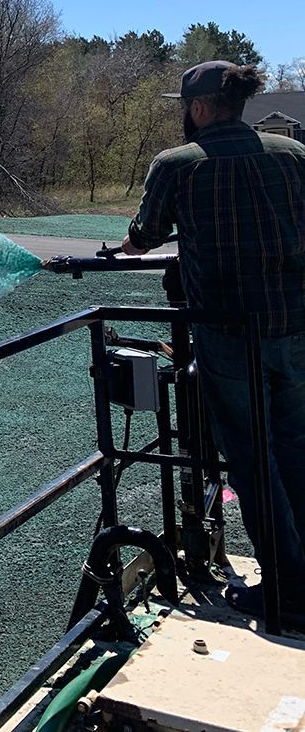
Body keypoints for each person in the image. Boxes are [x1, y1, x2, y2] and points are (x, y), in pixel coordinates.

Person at [122, 60, 305, 620]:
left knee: (253, 461)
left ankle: (290, 594)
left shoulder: (178, 165)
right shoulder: (293, 155)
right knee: (297, 450)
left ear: (198, 108)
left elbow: (146, 235)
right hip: (296, 329)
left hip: (229, 337)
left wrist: (127, 247)